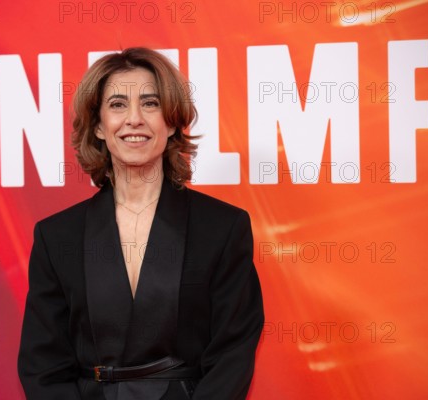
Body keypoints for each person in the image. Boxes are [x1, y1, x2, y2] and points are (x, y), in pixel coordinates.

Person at [18, 47, 264, 400]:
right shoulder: (56, 236)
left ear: (172, 120)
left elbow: (232, 353)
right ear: (99, 126)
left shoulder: (223, 228)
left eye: (150, 104)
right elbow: (43, 364)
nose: (134, 119)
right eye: (118, 105)